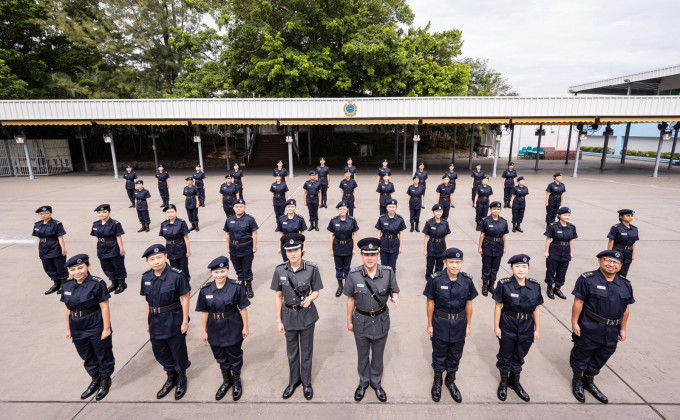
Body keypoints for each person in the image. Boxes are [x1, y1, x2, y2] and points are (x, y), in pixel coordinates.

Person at [569, 250, 634, 404]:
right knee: (582, 353)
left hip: (612, 329)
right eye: (607, 260)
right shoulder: (587, 280)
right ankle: (577, 379)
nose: (611, 264)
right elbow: (578, 302)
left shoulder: (625, 284)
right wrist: (574, 322)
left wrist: (623, 329)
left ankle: (589, 380)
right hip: (590, 326)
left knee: (603, 355)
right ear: (600, 261)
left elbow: (626, 309)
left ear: (620, 265)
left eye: (615, 262)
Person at [344, 237, 400, 403]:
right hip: (360, 320)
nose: (370, 257)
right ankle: (363, 382)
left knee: (378, 354)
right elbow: (350, 300)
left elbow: (394, 290)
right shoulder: (354, 275)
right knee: (362, 355)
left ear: (378, 255)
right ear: (361, 255)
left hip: (381, 320)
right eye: (366, 254)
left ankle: (376, 382)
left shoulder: (388, 272)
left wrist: (395, 297)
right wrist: (349, 320)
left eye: (373, 254)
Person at [272, 233, 323, 401]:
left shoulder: (312, 268)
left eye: (296, 249)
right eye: (289, 250)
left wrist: (310, 298)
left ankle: (306, 383)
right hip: (288, 316)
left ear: (302, 250)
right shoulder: (280, 270)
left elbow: (316, 291)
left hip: (307, 316)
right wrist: (279, 320)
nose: (293, 253)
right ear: (285, 252)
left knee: (306, 352)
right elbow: (278, 296)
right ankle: (294, 381)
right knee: (292, 353)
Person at [424, 248, 477, 403]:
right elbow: (430, 302)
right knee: (439, 354)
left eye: (458, 262)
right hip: (440, 322)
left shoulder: (467, 281)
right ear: (445, 262)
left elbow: (469, 303)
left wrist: (468, 325)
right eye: (451, 262)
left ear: (462, 263)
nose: (455, 265)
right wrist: (429, 324)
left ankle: (450, 380)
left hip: (459, 323)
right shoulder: (435, 280)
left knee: (455, 354)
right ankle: (438, 381)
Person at [139, 244, 191, 400]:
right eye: (152, 259)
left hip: (172, 318)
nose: (156, 262)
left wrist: (184, 321)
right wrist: (148, 320)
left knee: (177, 349)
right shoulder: (146, 277)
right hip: (155, 320)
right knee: (160, 350)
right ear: (148, 261)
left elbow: (185, 298)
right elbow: (147, 301)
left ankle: (181, 377)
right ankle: (171, 376)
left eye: (159, 257)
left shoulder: (177, 275)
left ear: (166, 256)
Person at [196, 256, 250, 401]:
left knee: (235, 354)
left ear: (227, 270)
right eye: (216, 273)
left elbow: (243, 308)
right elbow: (204, 312)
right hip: (214, 327)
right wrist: (204, 331)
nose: (219, 275)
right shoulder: (205, 290)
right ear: (211, 274)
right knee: (220, 355)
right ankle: (227, 380)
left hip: (233, 325)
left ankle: (236, 380)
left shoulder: (236, 287)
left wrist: (245, 326)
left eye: (222, 271)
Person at [61, 254, 115, 401]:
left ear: (88, 266)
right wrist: (68, 328)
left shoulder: (97, 284)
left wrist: (106, 328)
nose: (77, 272)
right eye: (73, 270)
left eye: (80, 268)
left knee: (102, 353)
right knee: (86, 355)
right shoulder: (66, 286)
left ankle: (105, 380)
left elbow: (104, 307)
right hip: (77, 325)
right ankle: (95, 378)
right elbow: (67, 308)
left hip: (94, 323)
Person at [493, 254, 543, 402]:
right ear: (511, 268)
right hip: (508, 324)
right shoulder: (504, 284)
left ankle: (514, 381)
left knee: (520, 355)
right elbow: (497, 307)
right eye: (517, 266)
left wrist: (537, 329)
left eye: (524, 267)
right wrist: (496, 327)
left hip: (527, 326)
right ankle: (503, 381)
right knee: (505, 354)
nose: (521, 270)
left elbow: (537, 309)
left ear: (528, 268)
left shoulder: (535, 286)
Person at [224, 199, 258, 299]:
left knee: (247, 269)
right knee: (238, 269)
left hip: (246, 247)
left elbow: (254, 233)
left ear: (244, 207)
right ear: (233, 208)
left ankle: (248, 286)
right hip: (234, 248)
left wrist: (254, 247)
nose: (239, 208)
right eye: (237, 207)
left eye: (241, 206)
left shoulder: (249, 219)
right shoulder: (229, 219)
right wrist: (228, 247)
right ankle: (241, 286)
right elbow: (227, 234)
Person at [90, 204, 127, 294]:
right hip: (101, 248)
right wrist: (96, 247)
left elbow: (118, 237)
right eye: (99, 212)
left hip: (113, 246)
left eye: (104, 212)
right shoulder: (96, 224)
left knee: (117, 265)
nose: (101, 214)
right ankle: (114, 283)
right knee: (106, 266)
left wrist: (121, 249)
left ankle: (121, 283)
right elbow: (97, 237)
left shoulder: (115, 223)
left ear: (109, 212)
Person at [33, 205, 68, 295]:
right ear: (39, 215)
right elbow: (39, 238)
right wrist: (38, 249)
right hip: (43, 248)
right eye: (41, 214)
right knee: (48, 267)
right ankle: (56, 283)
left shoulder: (57, 224)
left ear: (51, 213)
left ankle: (63, 284)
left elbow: (60, 237)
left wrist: (63, 249)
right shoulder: (37, 225)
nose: (44, 215)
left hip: (55, 246)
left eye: (46, 213)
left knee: (59, 265)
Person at [544, 207, 578, 300]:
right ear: (559, 215)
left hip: (566, 251)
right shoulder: (553, 226)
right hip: (554, 250)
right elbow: (548, 239)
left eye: (568, 215)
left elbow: (571, 240)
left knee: (562, 271)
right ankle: (550, 288)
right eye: (565, 215)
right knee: (551, 270)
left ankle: (557, 288)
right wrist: (546, 251)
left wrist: (571, 252)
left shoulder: (572, 227)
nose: (567, 217)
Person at [328, 201, 359, 297]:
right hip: (337, 246)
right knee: (338, 267)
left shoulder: (352, 220)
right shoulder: (333, 221)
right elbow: (331, 235)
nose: (342, 210)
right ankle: (340, 286)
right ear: (338, 210)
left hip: (348, 246)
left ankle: (347, 286)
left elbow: (355, 234)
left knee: (347, 267)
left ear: (347, 210)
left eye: (344, 209)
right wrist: (331, 249)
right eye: (340, 209)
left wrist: (354, 248)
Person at [478, 202, 508, 296]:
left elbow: (504, 236)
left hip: (499, 246)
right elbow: (482, 235)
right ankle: (485, 286)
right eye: (494, 209)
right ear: (490, 209)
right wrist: (480, 247)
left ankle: (491, 285)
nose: (496, 210)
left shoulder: (503, 221)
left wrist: (504, 247)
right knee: (486, 267)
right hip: (487, 245)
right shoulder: (486, 220)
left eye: (498, 209)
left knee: (495, 267)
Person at [159, 204, 191, 279]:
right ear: (166, 214)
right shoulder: (164, 224)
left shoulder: (181, 223)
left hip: (181, 248)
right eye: (168, 212)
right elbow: (166, 239)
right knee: (174, 269)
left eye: (172, 212)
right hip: (170, 250)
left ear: (176, 212)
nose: (170, 214)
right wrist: (165, 251)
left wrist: (188, 251)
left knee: (183, 268)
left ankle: (186, 284)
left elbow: (186, 238)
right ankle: (177, 285)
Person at [375, 199, 407, 272]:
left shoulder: (400, 219)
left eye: (393, 207)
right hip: (384, 243)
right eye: (389, 207)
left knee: (392, 266)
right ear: (386, 207)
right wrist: (378, 245)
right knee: (384, 265)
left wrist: (400, 247)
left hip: (395, 244)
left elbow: (401, 233)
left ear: (396, 208)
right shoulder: (382, 218)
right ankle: (384, 282)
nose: (391, 209)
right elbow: (379, 232)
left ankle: (392, 282)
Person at [607, 209, 639, 278]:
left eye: (632, 216)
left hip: (628, 253)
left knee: (624, 272)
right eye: (627, 215)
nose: (630, 217)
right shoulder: (616, 228)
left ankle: (621, 286)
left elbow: (633, 243)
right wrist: (609, 254)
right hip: (618, 251)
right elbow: (611, 241)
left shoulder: (634, 229)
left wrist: (633, 254)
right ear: (621, 217)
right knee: (614, 270)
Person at [423, 204, 451, 281]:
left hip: (441, 246)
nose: (438, 213)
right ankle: (429, 281)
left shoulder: (445, 223)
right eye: (437, 211)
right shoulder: (429, 222)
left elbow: (445, 236)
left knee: (439, 267)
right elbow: (426, 237)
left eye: (440, 211)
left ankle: (436, 281)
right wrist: (425, 249)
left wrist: (447, 248)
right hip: (431, 246)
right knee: (429, 266)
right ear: (433, 212)